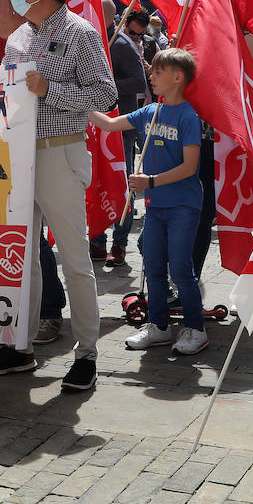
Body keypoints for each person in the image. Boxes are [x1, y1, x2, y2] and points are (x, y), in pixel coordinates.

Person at [0, 0, 117, 392]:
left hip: (59, 153)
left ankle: (87, 354)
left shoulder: (80, 33)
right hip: (19, 157)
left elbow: (105, 94)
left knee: (74, 260)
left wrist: (51, 89)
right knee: (22, 258)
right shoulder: (18, 38)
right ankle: (20, 346)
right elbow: (12, 90)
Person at [91, 48, 206, 355]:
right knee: (152, 266)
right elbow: (109, 124)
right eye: (152, 72)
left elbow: (190, 167)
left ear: (177, 77)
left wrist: (150, 181)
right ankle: (159, 327)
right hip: (156, 206)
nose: (151, 77)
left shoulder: (188, 116)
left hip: (183, 205)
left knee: (181, 269)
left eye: (157, 72)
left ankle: (195, 329)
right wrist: (75, 99)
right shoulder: (149, 111)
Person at [92, 8, 151, 265]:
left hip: (121, 127)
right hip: (95, 126)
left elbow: (140, 82)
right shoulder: (93, 40)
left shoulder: (123, 44)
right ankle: (96, 241)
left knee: (121, 186)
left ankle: (119, 244)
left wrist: (107, 83)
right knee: (95, 182)